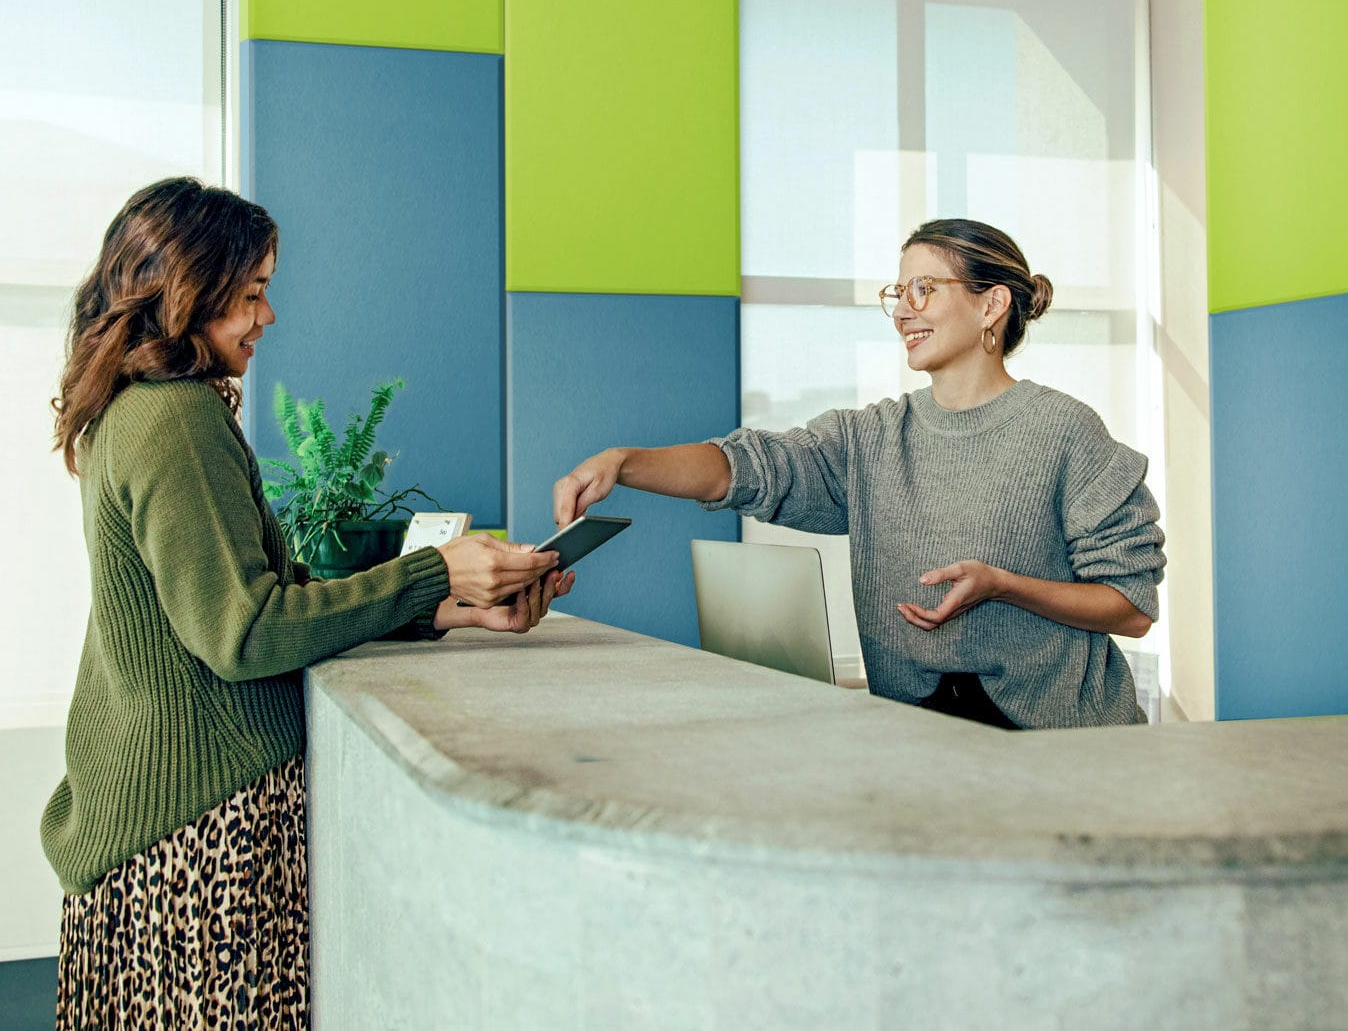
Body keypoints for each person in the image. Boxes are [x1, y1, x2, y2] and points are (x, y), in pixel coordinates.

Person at [43, 177, 574, 1030]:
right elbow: (245, 633)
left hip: (161, 819)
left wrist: (449, 609)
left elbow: (264, 600)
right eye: (251, 294)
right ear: (187, 290)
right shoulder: (176, 417)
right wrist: (433, 573)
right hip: (201, 830)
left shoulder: (133, 411)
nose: (268, 317)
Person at [553, 218, 1165, 732]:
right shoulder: (871, 437)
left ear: (992, 303)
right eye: (896, 294)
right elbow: (745, 469)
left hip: (1065, 749)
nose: (902, 311)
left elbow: (1130, 608)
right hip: (916, 738)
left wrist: (1004, 586)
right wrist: (624, 462)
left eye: (922, 289)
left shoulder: (1064, 430)